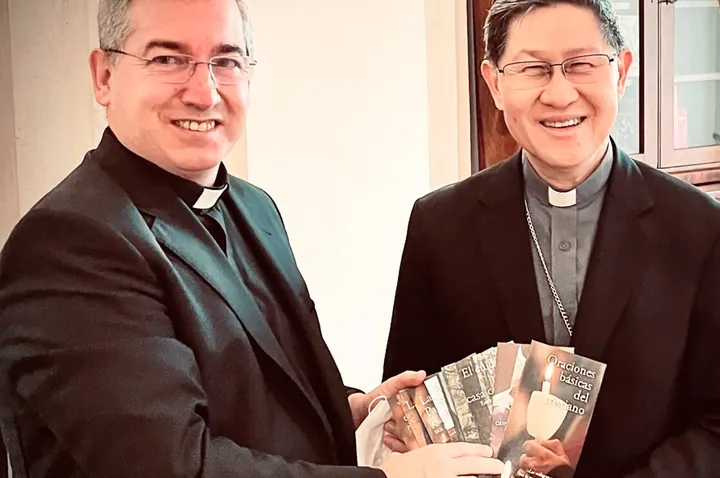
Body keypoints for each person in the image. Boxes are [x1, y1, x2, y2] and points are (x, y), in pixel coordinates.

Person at [0, 1, 506, 477]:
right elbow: (173, 465)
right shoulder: (70, 241)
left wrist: (351, 409)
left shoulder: (253, 205)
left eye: (226, 61)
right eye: (168, 59)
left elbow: (256, 389)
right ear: (104, 76)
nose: (204, 93)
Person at [382, 0, 720, 476]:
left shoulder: (700, 229)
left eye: (582, 64)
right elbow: (414, 394)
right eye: (532, 68)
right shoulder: (439, 225)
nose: (560, 94)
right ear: (495, 83)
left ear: (621, 72)